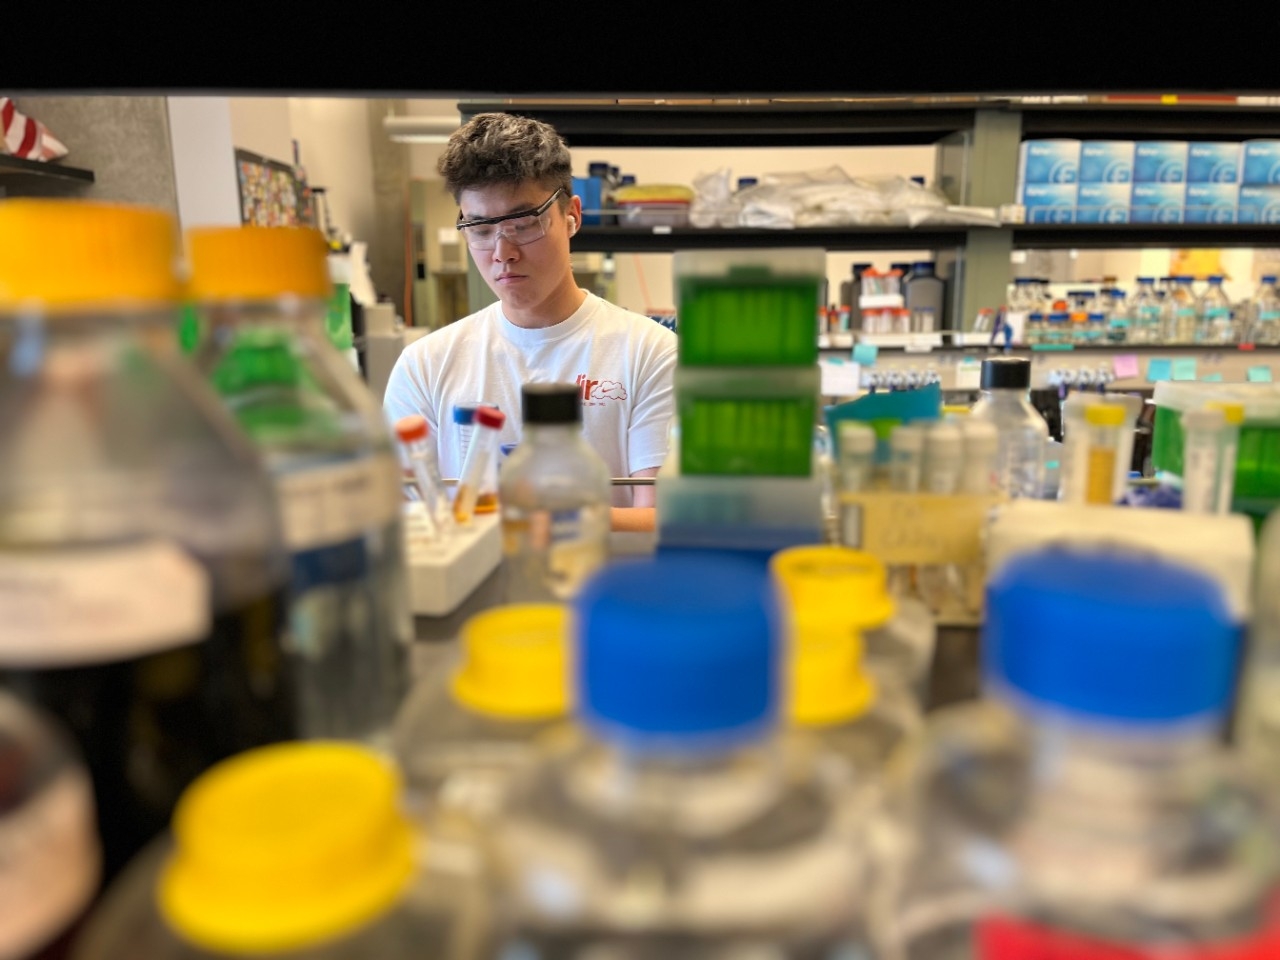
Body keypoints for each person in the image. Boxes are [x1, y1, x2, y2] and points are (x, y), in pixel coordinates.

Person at [383, 112, 677, 533]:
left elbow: (660, 518)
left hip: (602, 589)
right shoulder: (426, 365)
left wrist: (535, 520)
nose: (502, 252)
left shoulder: (648, 352)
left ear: (571, 215)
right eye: (480, 229)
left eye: (522, 225)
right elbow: (402, 522)